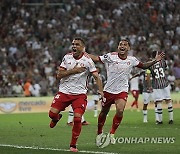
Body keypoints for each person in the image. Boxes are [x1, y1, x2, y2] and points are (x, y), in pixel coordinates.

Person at [89, 39, 165, 148]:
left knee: (120, 110)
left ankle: (112, 133)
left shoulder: (132, 60)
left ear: (128, 48)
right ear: (118, 47)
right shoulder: (110, 56)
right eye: (120, 44)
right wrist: (84, 53)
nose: (122, 46)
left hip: (122, 90)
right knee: (103, 113)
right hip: (108, 90)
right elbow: (96, 58)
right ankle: (99, 133)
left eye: (125, 45)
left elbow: (143, 66)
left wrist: (155, 60)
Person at [48, 37, 104, 152]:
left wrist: (101, 91)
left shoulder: (88, 61)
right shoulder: (67, 57)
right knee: (51, 114)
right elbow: (59, 75)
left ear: (83, 48)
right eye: (73, 44)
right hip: (64, 92)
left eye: (77, 44)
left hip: (79, 94)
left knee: (77, 119)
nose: (74, 46)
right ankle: (57, 118)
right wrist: (74, 70)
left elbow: (96, 76)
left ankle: (73, 145)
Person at [149, 51, 174, 124]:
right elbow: (165, 69)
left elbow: (149, 73)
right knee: (168, 100)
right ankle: (171, 119)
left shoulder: (150, 64)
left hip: (156, 85)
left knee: (159, 102)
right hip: (165, 83)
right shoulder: (163, 62)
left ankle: (160, 121)